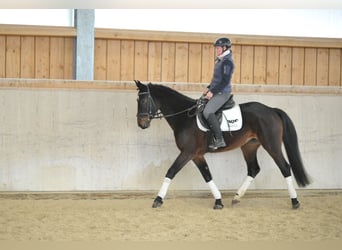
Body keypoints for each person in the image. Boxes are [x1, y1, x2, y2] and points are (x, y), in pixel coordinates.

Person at [203, 37, 234, 150]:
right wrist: (209, 88)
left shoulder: (227, 62)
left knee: (207, 111)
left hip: (223, 93)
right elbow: (216, 79)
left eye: (218, 48)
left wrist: (213, 91)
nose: (216, 50)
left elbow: (225, 81)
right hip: (216, 91)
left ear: (224, 48)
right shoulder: (220, 60)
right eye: (216, 48)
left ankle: (219, 139)